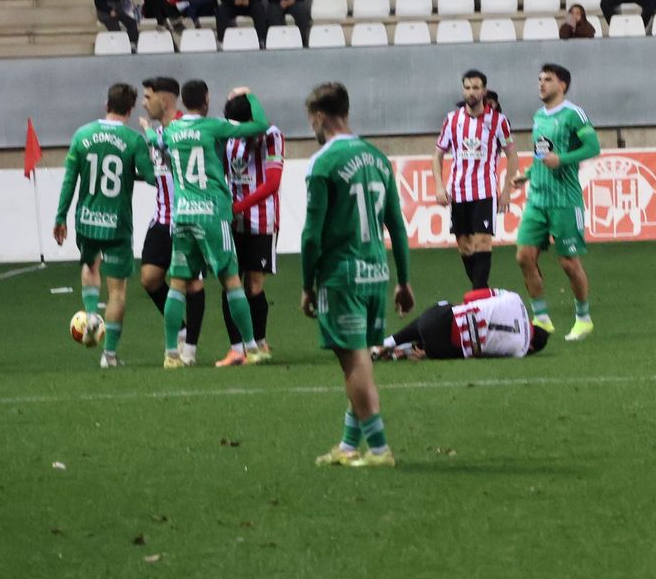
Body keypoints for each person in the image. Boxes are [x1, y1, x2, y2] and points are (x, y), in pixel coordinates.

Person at [300, 81, 414, 467]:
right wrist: (404, 280)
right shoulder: (377, 158)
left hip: (341, 276)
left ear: (319, 116)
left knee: (354, 363)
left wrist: (306, 284)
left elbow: (311, 235)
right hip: (376, 274)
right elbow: (396, 226)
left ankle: (379, 450)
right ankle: (350, 446)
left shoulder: (324, 162)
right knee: (359, 358)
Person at [159, 82, 271, 368]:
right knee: (232, 280)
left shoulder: (172, 130)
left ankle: (171, 354)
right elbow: (260, 125)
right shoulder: (214, 127)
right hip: (211, 212)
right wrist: (250, 95)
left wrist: (149, 130)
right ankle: (251, 348)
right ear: (207, 100)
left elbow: (156, 142)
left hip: (182, 213)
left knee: (177, 284)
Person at [53, 84, 156, 367]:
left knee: (90, 266)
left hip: (86, 219)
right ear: (130, 109)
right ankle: (108, 355)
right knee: (117, 291)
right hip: (117, 223)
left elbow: (70, 180)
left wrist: (60, 216)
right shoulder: (133, 140)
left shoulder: (82, 135)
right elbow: (151, 176)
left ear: (105, 104)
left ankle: (90, 316)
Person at [509, 64, 598, 341]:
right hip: (537, 198)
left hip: (565, 200)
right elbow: (541, 154)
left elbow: (593, 147)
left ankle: (583, 319)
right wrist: (528, 174)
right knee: (524, 256)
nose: (541, 84)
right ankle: (541, 318)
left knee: (569, 263)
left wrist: (563, 159)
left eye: (547, 79)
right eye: (539, 79)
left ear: (562, 84)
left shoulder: (574, 114)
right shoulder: (538, 116)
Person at [138, 77, 210, 368]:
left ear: (164, 100)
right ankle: (180, 330)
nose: (144, 103)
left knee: (192, 284)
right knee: (150, 279)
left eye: (148, 97)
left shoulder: (185, 127)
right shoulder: (158, 131)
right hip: (161, 217)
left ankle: (189, 347)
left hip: (187, 217)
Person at [432, 70, 516, 291]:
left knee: (482, 242)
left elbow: (512, 155)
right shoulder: (452, 120)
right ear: (463, 90)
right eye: (468, 87)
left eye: (476, 87)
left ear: (484, 91)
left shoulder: (498, 121)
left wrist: (506, 189)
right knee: (465, 247)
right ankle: (483, 291)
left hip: (485, 191)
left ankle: (478, 296)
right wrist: (439, 186)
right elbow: (438, 154)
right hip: (458, 192)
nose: (471, 92)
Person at [221, 92, 287, 364]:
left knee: (254, 284)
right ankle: (237, 347)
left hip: (261, 219)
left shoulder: (271, 135)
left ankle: (259, 343)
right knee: (231, 282)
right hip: (231, 221)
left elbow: (272, 183)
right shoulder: (227, 135)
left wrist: (238, 206)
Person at [376, 288, 550, 361]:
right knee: (467, 347)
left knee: (445, 308)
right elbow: (483, 355)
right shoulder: (519, 351)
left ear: (532, 323)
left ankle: (389, 342)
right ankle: (407, 350)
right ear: (532, 348)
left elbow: (469, 297)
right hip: (441, 349)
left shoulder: (514, 298)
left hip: (436, 319)